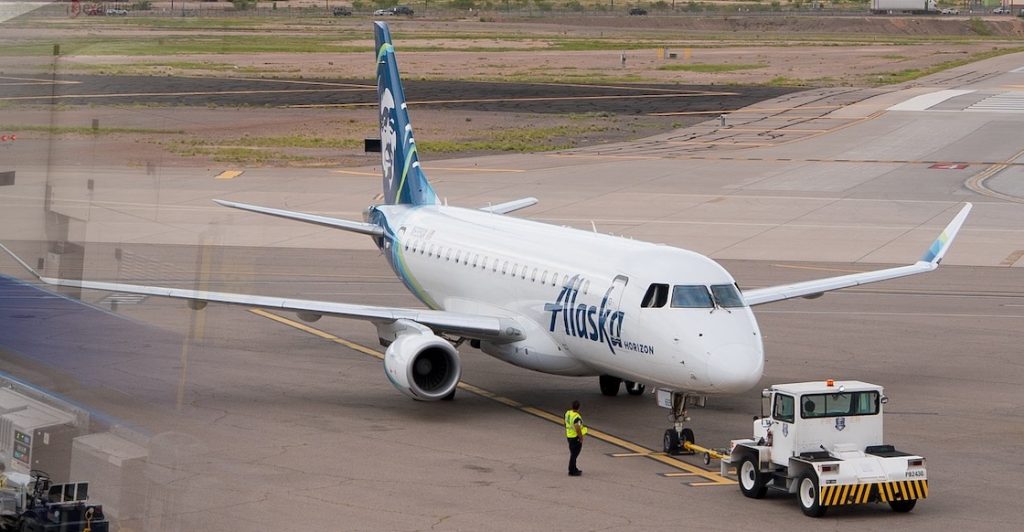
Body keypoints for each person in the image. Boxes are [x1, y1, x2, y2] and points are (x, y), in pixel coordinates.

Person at [564, 400, 587, 476]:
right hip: (574, 437)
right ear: (579, 408)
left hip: (569, 435)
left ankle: (574, 468)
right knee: (574, 454)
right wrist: (580, 437)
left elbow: (565, 422)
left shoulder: (568, 413)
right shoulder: (577, 417)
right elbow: (577, 427)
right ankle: (572, 470)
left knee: (573, 453)